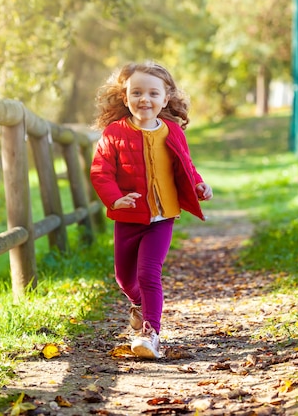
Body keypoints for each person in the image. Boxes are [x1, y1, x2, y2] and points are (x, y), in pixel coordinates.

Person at [90, 61, 213, 359]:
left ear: (165, 98)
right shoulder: (114, 134)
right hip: (129, 217)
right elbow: (100, 171)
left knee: (148, 273)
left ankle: (150, 333)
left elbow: (185, 165)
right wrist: (115, 198)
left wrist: (198, 184)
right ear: (125, 96)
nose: (145, 99)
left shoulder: (171, 131)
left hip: (162, 217)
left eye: (153, 93)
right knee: (125, 279)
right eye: (137, 93)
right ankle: (139, 303)